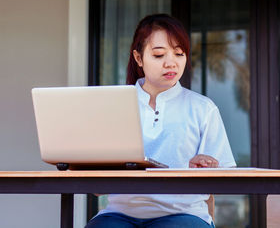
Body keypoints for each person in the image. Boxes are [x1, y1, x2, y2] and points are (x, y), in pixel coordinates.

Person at [85, 14, 236, 228]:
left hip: (183, 215)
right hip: (119, 215)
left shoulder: (203, 108)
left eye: (179, 53)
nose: (171, 63)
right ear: (138, 58)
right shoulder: (114, 106)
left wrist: (205, 171)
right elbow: (97, 187)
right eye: (158, 55)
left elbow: (225, 181)